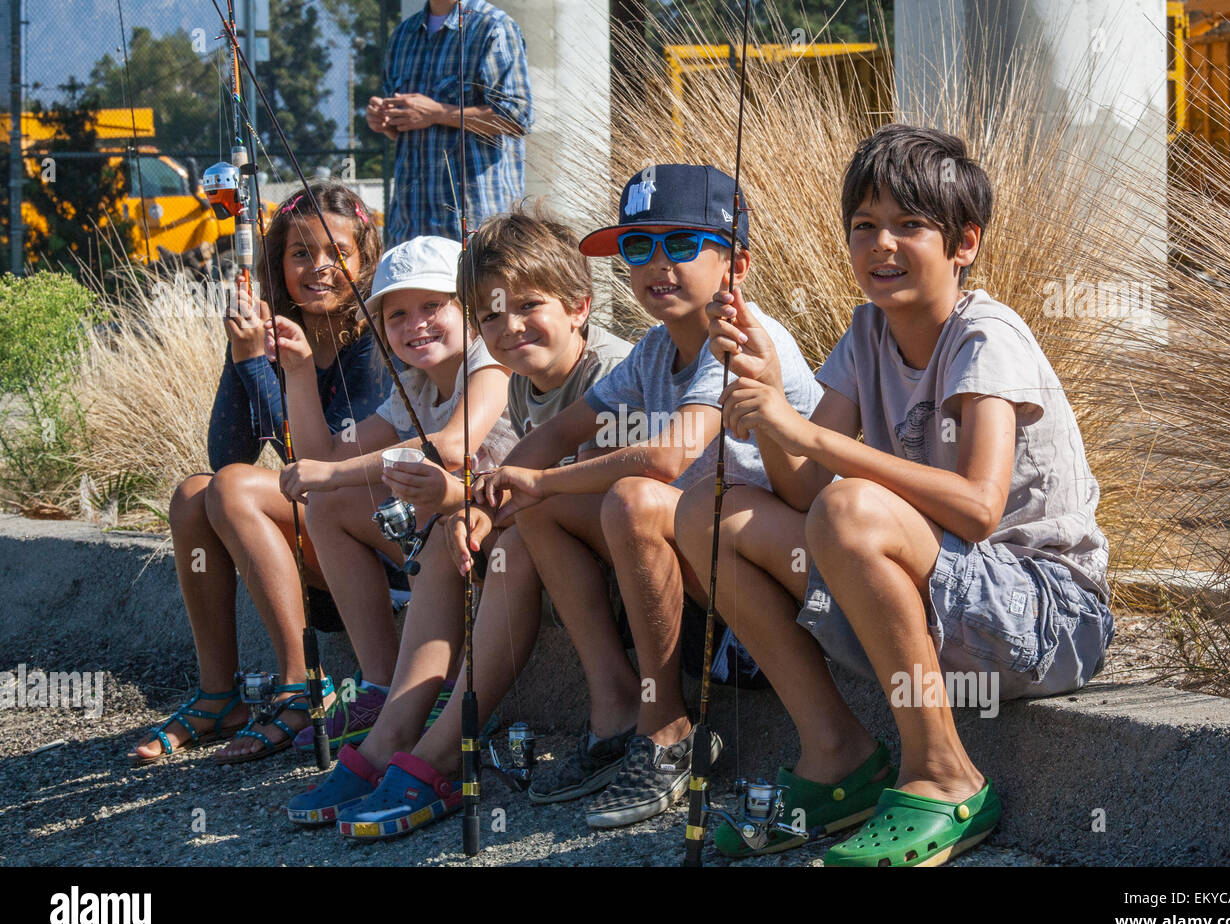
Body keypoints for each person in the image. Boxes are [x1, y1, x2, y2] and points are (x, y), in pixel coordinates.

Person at [676, 124, 1115, 866]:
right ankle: (837, 754)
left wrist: (807, 434)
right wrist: (764, 392)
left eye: (910, 225)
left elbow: (978, 506)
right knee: (710, 511)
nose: (882, 245)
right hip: (941, 606)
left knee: (852, 510)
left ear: (964, 243)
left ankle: (946, 775)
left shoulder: (988, 336)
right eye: (864, 227)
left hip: (1046, 616)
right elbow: (804, 487)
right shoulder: (865, 335)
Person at [475, 164, 822, 830]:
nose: (656, 265)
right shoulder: (654, 351)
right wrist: (498, 495)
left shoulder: (744, 336)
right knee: (538, 509)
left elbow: (668, 455)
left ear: (736, 263)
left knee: (632, 496)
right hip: (700, 568)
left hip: (776, 583)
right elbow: (562, 432)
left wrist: (542, 481)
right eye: (638, 248)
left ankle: (667, 733)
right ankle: (615, 713)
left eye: (681, 245)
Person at [284, 203, 634, 836]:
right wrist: (467, 508)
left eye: (528, 306)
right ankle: (395, 728)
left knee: (510, 536)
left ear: (580, 305)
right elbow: (512, 481)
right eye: (494, 313)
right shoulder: (527, 375)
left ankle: (442, 749)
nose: (511, 326)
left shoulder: (591, 369)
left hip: (621, 560)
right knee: (456, 527)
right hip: (555, 542)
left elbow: (585, 486)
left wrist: (468, 503)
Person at [224, 233, 517, 763]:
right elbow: (327, 460)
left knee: (351, 493)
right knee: (330, 506)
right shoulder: (415, 386)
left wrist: (330, 476)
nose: (415, 324)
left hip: (497, 526)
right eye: (396, 314)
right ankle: (382, 685)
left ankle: (435, 691)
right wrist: (297, 369)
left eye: (433, 305)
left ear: (471, 310)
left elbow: (450, 446)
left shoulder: (491, 363)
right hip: (450, 530)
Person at [129, 182, 388, 767]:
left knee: (230, 489)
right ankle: (220, 695)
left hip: (376, 541)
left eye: (337, 253)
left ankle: (302, 686)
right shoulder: (276, 334)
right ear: (278, 264)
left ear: (365, 259)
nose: (318, 268)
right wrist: (240, 354)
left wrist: (257, 366)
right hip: (321, 531)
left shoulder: (377, 341)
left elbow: (324, 463)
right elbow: (228, 455)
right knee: (195, 493)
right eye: (300, 254)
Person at [368, 0, 533, 246]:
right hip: (410, 229)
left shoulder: (493, 27)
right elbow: (407, 128)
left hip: (477, 230)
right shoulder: (403, 36)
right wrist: (385, 120)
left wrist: (438, 113)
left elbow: (517, 117)